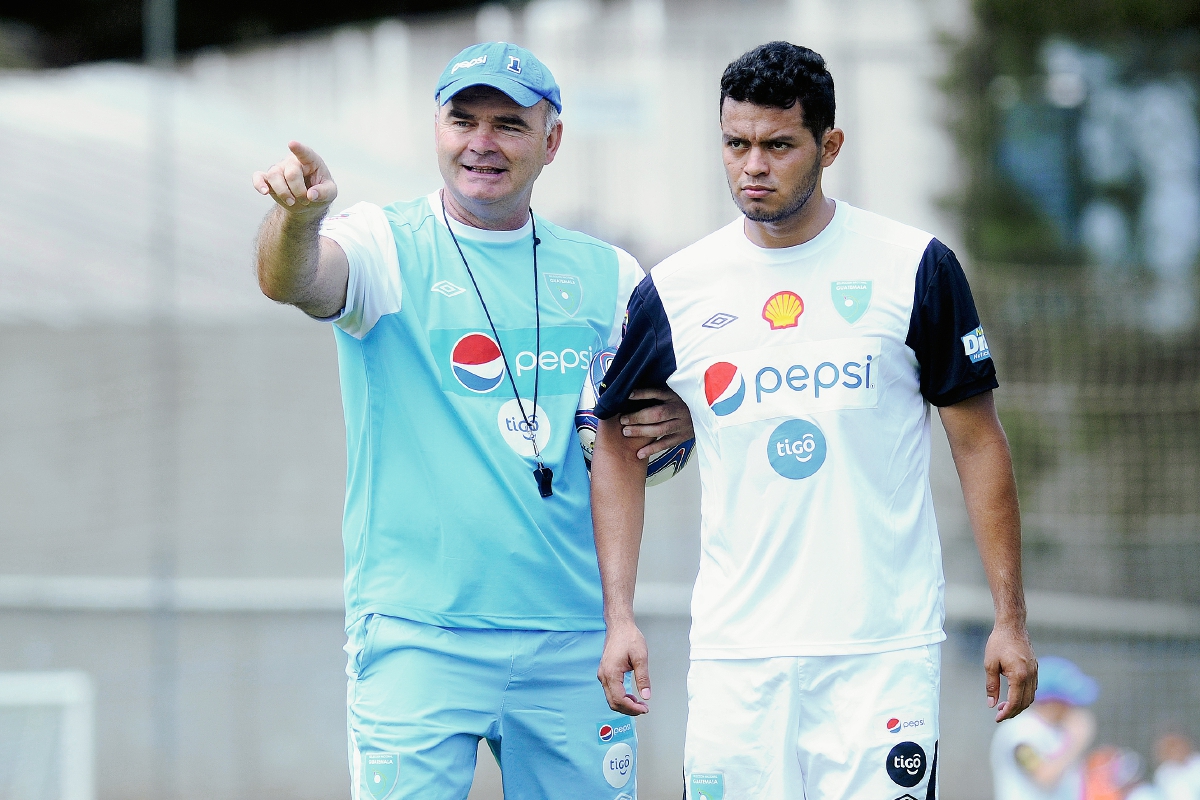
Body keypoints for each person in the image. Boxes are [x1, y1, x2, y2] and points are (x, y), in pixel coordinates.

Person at [588, 41, 1038, 798]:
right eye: (735, 144)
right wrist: (620, 615)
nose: (752, 166)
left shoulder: (914, 265)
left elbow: (978, 442)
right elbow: (614, 439)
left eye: (777, 145)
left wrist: (1010, 619)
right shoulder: (677, 289)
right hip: (739, 657)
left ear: (829, 145)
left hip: (883, 652)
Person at [251, 41, 692, 800]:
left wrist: (679, 429)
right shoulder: (383, 244)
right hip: (420, 634)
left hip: (573, 638)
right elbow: (298, 281)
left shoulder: (610, 275)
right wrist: (297, 223)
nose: (481, 142)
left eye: (509, 125)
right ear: (437, 129)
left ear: (551, 141)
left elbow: (641, 439)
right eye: (464, 120)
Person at [992, 656, 1097, 800]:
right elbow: (1044, 776)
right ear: (1051, 701)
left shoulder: (1054, 730)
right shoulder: (1021, 732)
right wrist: (1076, 741)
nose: (1073, 708)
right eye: (1068, 701)